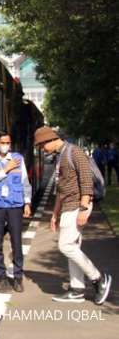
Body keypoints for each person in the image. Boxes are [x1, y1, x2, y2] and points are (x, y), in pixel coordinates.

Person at [34, 126, 112, 305]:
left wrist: (84, 208)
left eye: (41, 146)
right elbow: (61, 189)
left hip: (78, 205)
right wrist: (55, 214)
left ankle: (99, 279)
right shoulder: (60, 156)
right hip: (68, 206)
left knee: (66, 245)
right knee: (73, 247)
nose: (42, 150)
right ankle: (77, 289)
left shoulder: (74, 152)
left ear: (49, 140)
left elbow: (86, 180)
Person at [0, 130, 32, 293]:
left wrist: (27, 203)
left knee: (16, 242)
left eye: (8, 143)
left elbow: (25, 181)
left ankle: (18, 277)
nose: (6, 146)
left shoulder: (18, 159)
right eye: (3, 142)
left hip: (15, 205)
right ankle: (0, 277)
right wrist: (6, 169)